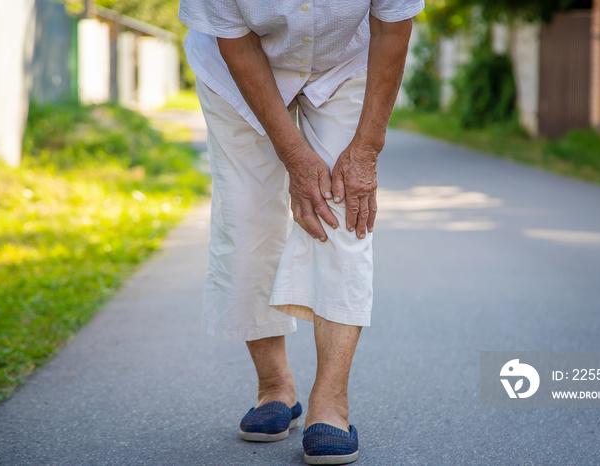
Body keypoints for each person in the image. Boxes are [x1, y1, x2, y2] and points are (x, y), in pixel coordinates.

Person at [179, 1, 423, 464]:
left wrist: (366, 151)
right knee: (247, 219)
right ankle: (275, 387)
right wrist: (293, 154)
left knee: (343, 209)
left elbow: (393, 28)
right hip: (237, 70)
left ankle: (329, 404)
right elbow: (238, 41)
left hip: (343, 65)